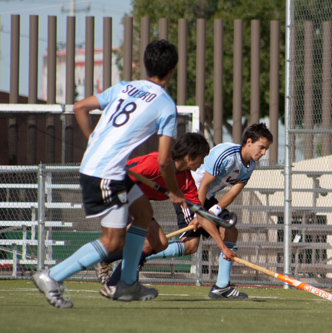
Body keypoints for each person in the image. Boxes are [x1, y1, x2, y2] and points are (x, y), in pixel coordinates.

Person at [32, 39, 186, 308]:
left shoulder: (125, 87)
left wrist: (93, 139)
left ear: (146, 64)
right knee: (113, 242)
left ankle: (127, 284)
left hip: (105, 166)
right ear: (172, 70)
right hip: (106, 173)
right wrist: (174, 192)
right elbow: (164, 161)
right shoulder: (165, 105)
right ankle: (52, 276)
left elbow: (80, 107)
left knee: (143, 214)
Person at [96, 132, 237, 298]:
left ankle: (108, 268)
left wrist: (223, 247)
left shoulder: (186, 180)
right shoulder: (156, 163)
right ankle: (118, 283)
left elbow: (200, 215)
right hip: (118, 193)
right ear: (190, 156)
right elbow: (121, 178)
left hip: (139, 202)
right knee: (147, 242)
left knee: (161, 243)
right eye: (201, 157)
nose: (202, 163)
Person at [147, 123, 273, 300]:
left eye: (266, 149)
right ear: (249, 142)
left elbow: (233, 191)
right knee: (191, 245)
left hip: (207, 198)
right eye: (262, 147)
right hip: (191, 194)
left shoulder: (250, 165)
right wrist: (199, 213)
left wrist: (215, 210)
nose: (263, 153)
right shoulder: (226, 155)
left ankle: (221, 286)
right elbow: (204, 185)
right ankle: (142, 256)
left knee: (230, 230)